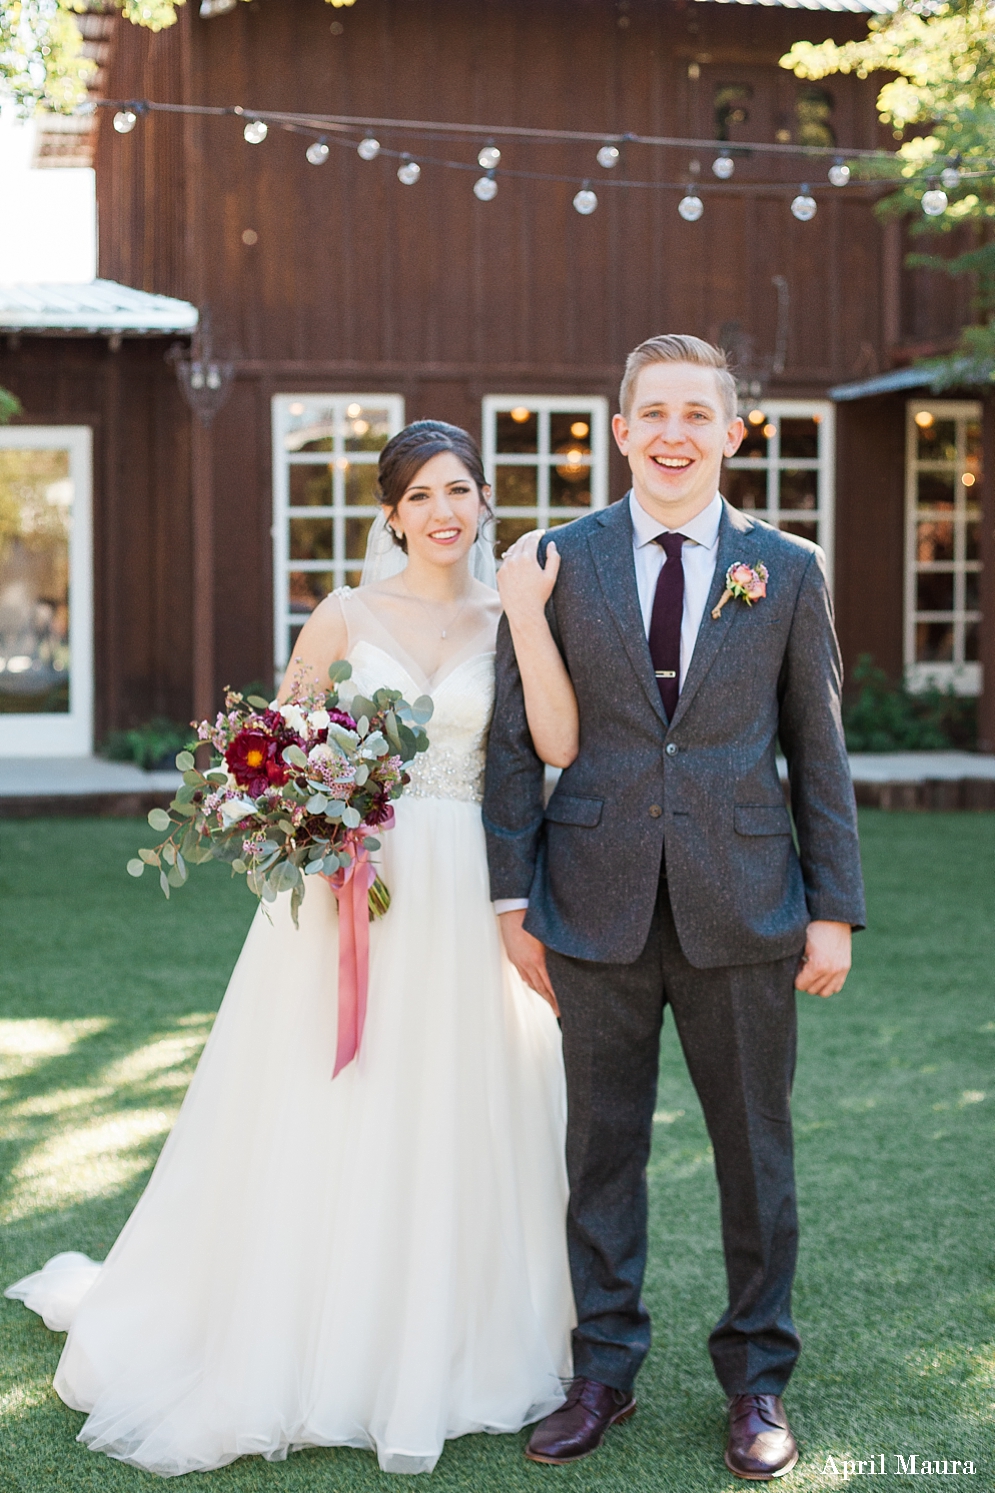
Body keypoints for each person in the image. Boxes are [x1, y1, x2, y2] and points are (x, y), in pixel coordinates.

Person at [6, 421, 577, 1478]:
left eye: (461, 489)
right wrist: (313, 815)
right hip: (348, 891)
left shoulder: (513, 617)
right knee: (334, 1101)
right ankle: (307, 1329)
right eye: (421, 495)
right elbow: (275, 747)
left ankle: (455, 1335)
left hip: (468, 890)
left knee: (457, 1099)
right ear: (392, 513)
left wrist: (533, 617)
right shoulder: (346, 614)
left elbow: (554, 743)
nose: (444, 510)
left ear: (482, 500)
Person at [484, 336, 866, 1479]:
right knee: (599, 1151)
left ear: (731, 432)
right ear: (617, 429)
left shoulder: (784, 567)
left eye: (695, 415)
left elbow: (818, 744)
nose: (671, 433)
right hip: (590, 904)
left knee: (754, 1150)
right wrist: (512, 896)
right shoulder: (557, 559)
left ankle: (755, 1381)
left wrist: (831, 904)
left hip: (745, 905)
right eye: (650, 412)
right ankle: (601, 1369)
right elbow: (514, 743)